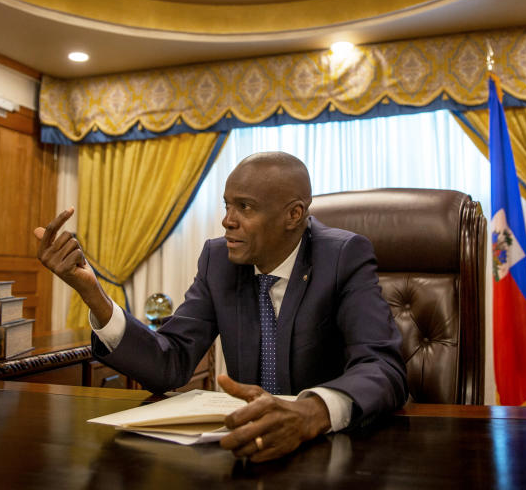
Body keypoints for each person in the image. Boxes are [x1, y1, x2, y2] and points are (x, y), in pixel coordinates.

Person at [35, 151, 407, 462]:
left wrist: (311, 412)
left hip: (334, 451)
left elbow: (382, 366)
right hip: (247, 450)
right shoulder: (218, 259)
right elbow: (171, 361)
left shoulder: (342, 255)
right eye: (227, 205)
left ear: (294, 215)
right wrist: (93, 294)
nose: (227, 221)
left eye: (245, 207)